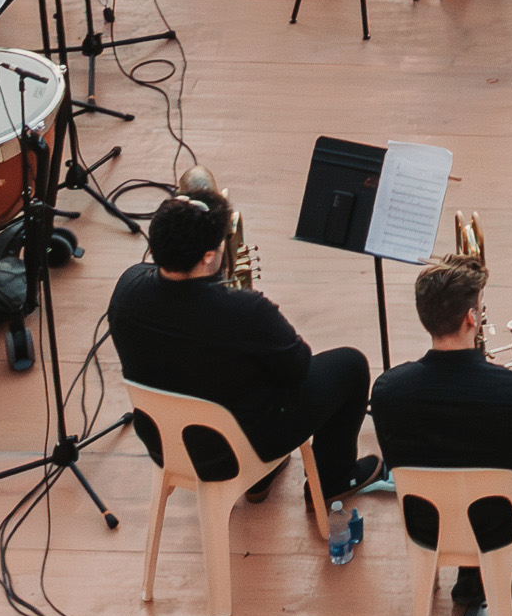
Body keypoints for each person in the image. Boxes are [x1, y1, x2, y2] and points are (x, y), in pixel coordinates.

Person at [112, 190, 381, 558]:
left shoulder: (127, 288)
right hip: (237, 447)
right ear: (209, 256)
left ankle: (262, 482)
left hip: (165, 444)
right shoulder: (245, 312)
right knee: (350, 364)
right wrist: (263, 318)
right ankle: (335, 478)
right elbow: (298, 368)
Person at [370, 254, 512, 602]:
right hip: (498, 525)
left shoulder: (387, 389)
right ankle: (502, 566)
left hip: (427, 525)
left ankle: (472, 575)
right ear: (471, 317)